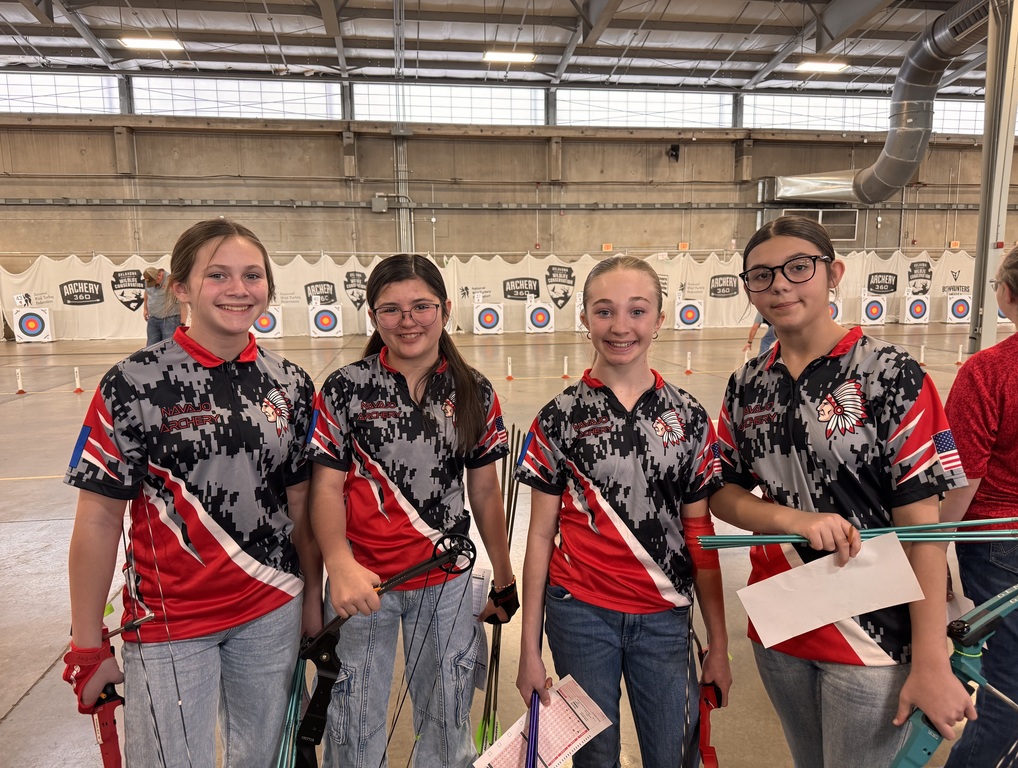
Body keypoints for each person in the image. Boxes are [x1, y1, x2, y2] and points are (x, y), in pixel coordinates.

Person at [711, 215, 976, 768]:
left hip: (874, 628)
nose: (780, 285)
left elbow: (922, 527)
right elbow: (723, 492)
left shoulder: (890, 373)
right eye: (761, 275)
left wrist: (931, 656)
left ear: (834, 274)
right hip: (783, 618)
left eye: (798, 268)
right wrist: (793, 521)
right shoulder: (746, 384)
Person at [63, 219, 322, 767]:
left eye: (252, 275)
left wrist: (312, 601)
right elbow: (98, 519)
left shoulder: (292, 383)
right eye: (217, 275)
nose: (239, 289)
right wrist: (87, 642)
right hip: (170, 621)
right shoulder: (131, 383)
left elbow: (301, 506)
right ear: (179, 287)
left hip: (273, 606)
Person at [515, 255, 732, 768]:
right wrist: (528, 651)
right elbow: (540, 536)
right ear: (585, 318)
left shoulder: (689, 415)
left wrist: (718, 643)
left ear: (659, 319)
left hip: (665, 617)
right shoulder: (558, 417)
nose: (620, 326)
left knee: (673, 756)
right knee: (594, 759)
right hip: (580, 614)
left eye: (637, 311)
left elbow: (700, 533)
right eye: (604, 310)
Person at [307, 253, 517, 768]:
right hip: (362, 583)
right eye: (391, 309)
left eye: (421, 306)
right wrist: (339, 564)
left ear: (445, 309)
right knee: (353, 724)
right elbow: (325, 489)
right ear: (373, 316)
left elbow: (485, 492)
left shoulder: (473, 390)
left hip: (444, 577)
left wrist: (504, 576)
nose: (408, 321)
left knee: (447, 722)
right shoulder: (345, 388)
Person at [942, 245, 1018, 767]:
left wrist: (930, 552)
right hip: (1003, 541)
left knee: (1009, 688)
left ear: (1007, 295)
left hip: (999, 541)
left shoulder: (988, 370)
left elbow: (960, 477)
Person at [142, 266, 182, 345]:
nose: (152, 285)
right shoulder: (149, 280)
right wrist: (145, 309)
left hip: (169, 320)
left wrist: (183, 321)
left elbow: (182, 299)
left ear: (159, 276)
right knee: (151, 347)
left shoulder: (170, 280)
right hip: (153, 319)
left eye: (154, 282)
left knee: (168, 347)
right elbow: (147, 293)